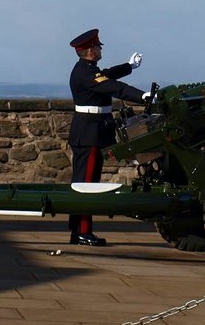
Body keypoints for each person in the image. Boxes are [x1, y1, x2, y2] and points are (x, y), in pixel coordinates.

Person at [66, 28, 147, 246]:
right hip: (90, 134)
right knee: (87, 184)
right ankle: (83, 231)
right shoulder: (85, 73)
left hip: (92, 132)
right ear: (91, 50)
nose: (100, 48)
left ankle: (78, 230)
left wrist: (129, 66)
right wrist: (143, 96)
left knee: (84, 182)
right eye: (98, 46)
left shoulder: (88, 70)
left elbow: (107, 75)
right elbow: (115, 87)